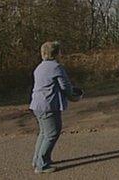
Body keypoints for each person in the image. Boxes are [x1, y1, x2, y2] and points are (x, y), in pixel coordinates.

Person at [29, 41, 82, 174]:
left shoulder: (39, 67)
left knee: (44, 132)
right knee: (52, 133)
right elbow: (65, 87)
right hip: (48, 105)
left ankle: (37, 159)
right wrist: (75, 96)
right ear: (57, 53)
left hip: (37, 104)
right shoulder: (56, 67)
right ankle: (42, 165)